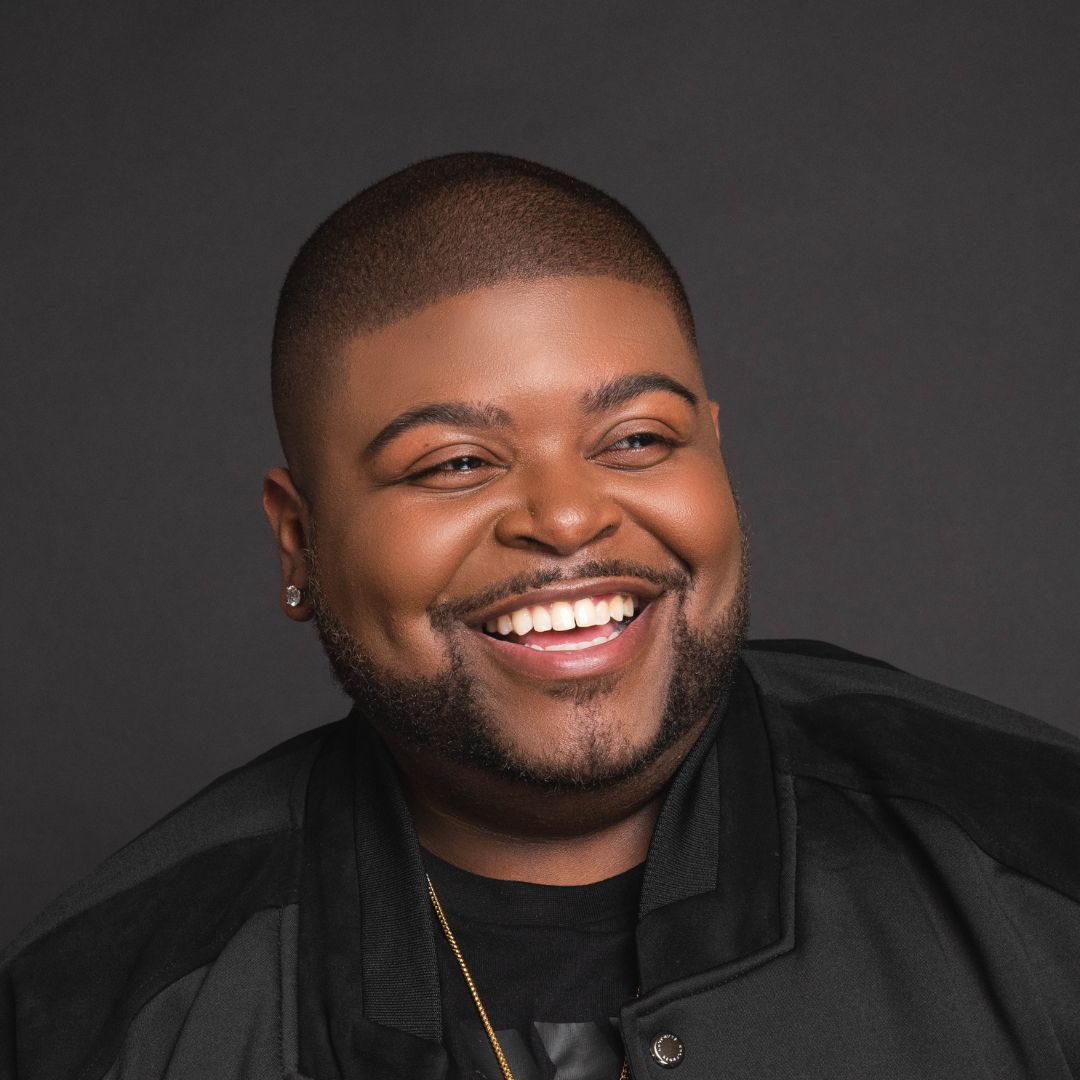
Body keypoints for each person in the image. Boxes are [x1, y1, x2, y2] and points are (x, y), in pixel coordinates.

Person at [2, 153, 1077, 1080]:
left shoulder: (1037, 865)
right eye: (455, 463)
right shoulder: (103, 1019)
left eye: (638, 440)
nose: (567, 517)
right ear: (299, 539)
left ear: (716, 453)